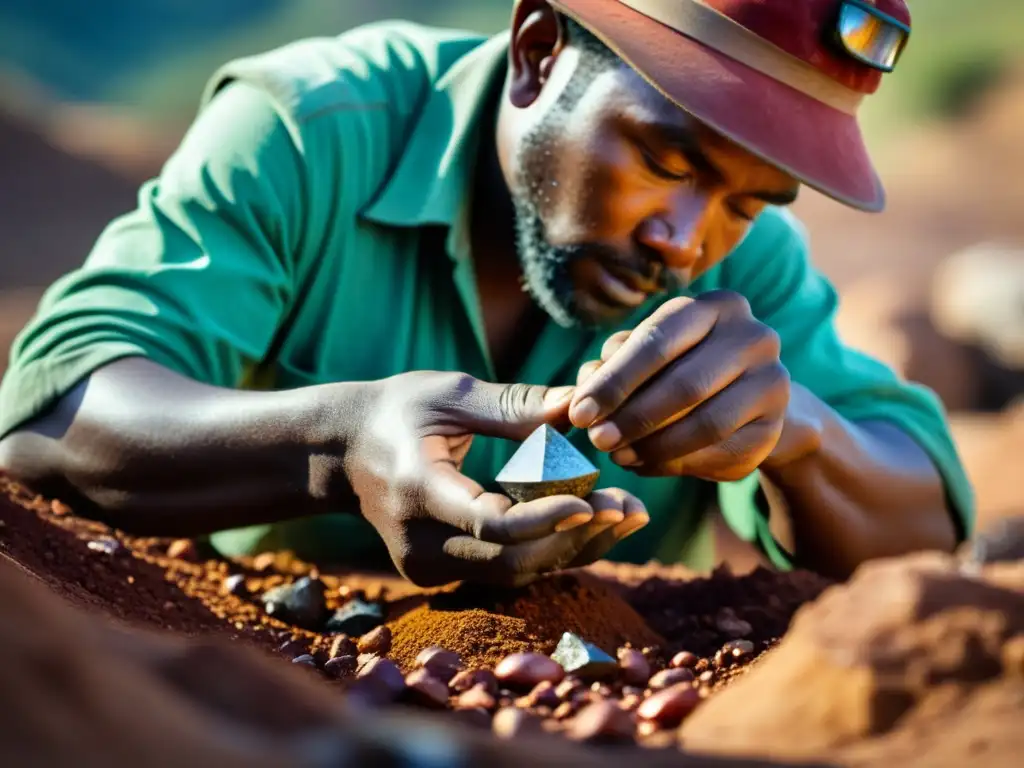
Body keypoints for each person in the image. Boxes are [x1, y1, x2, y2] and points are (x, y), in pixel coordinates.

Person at [0, 0, 973, 586]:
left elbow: (923, 519)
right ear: (538, 50)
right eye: (660, 156)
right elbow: (55, 414)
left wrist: (797, 431)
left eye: (746, 201)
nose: (686, 237)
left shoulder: (743, 258)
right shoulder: (308, 131)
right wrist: (336, 444)